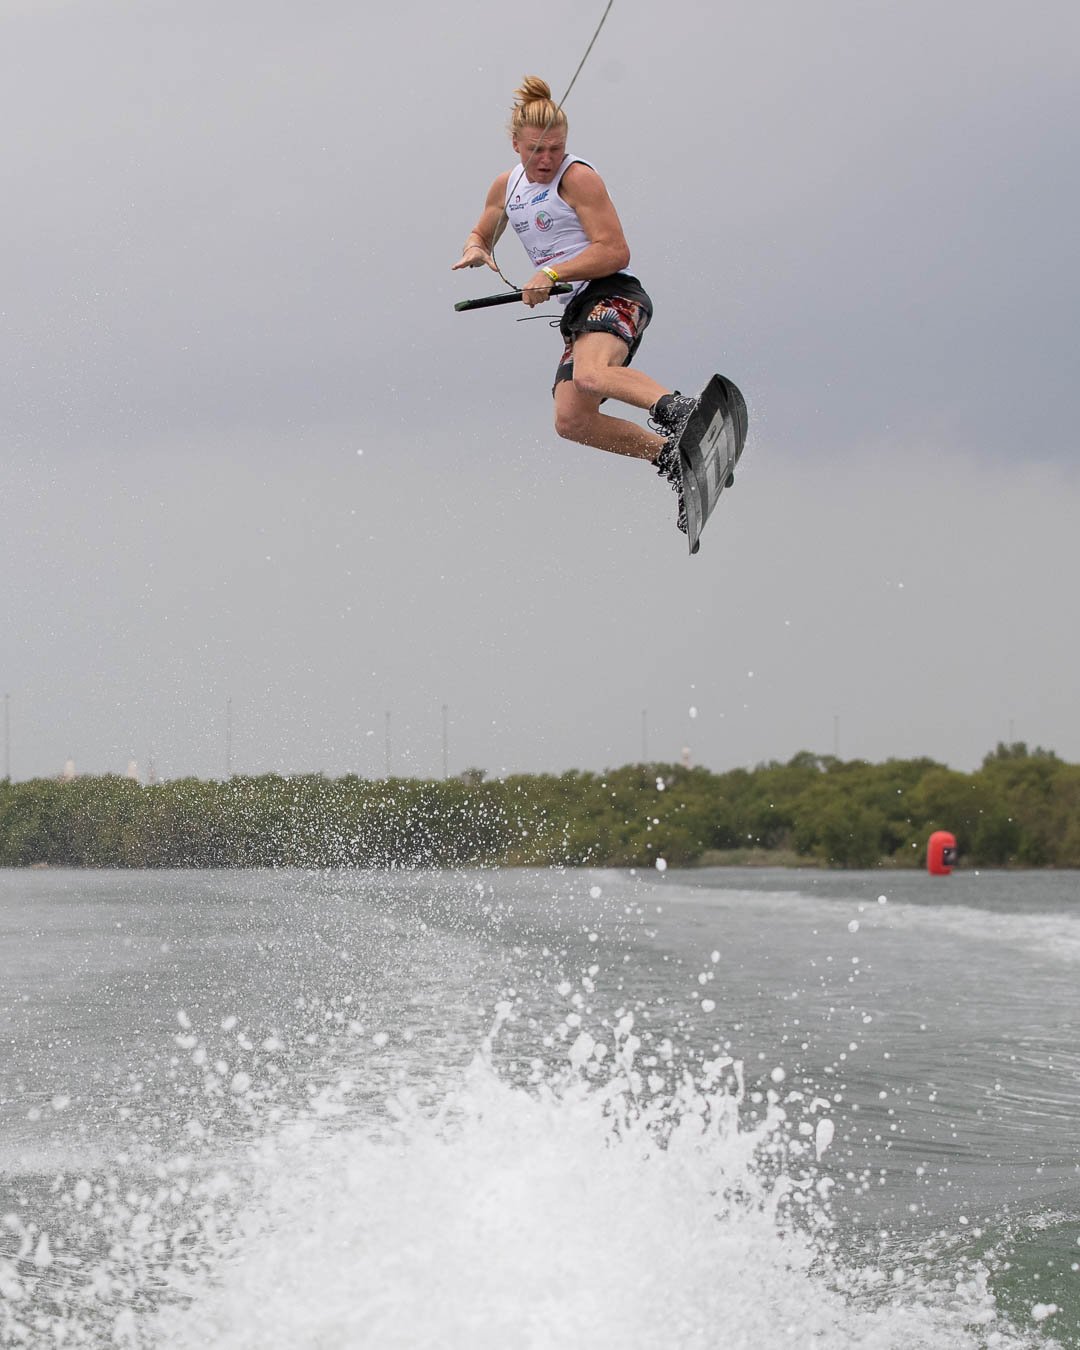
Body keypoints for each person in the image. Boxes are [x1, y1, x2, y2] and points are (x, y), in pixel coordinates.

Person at [452, 76, 696, 534]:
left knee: (591, 374)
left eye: (556, 149)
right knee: (572, 420)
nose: (546, 160)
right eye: (535, 150)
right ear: (515, 145)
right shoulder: (506, 186)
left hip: (613, 291)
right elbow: (483, 230)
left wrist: (550, 274)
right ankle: (673, 458)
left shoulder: (578, 178)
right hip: (578, 309)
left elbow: (615, 250)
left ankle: (683, 412)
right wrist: (477, 248)